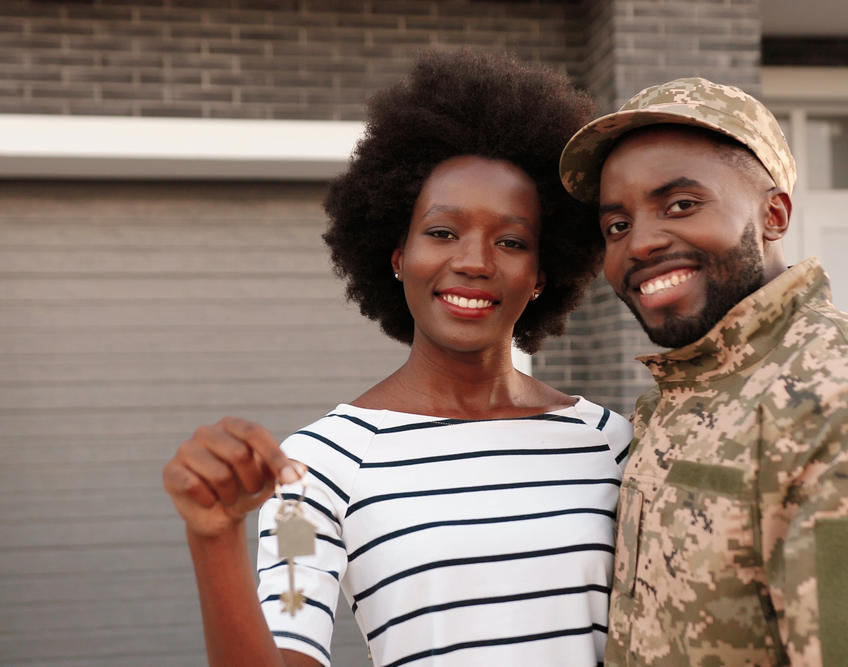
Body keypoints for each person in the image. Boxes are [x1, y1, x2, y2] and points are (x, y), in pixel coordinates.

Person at [162, 50, 633, 667]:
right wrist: (214, 539)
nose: (474, 262)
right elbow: (290, 640)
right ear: (396, 254)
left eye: (511, 241)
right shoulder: (316, 467)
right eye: (442, 232)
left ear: (542, 274)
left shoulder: (609, 443)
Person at [558, 77, 848, 665]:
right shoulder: (690, 392)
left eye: (681, 205)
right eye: (617, 225)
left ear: (773, 215)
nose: (638, 244)